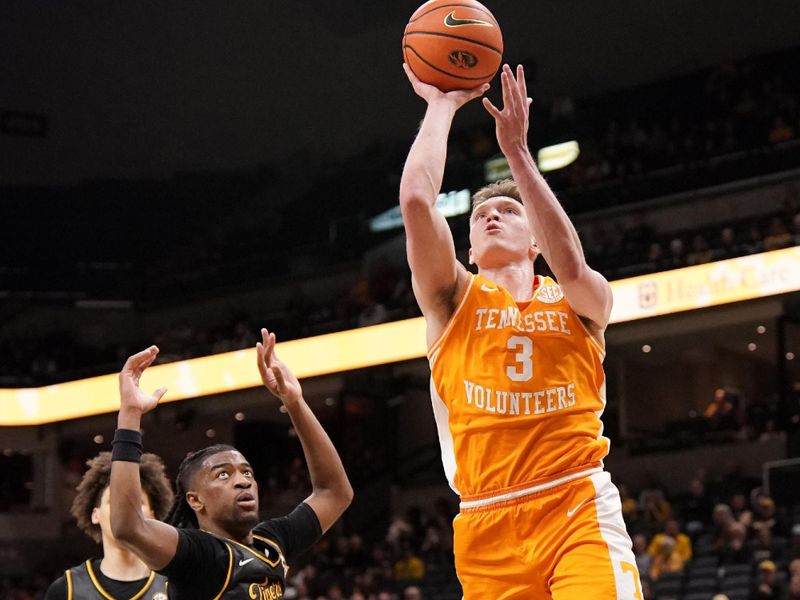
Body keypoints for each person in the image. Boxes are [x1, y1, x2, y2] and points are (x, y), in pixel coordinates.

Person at [399, 63, 641, 598]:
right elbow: (417, 202)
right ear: (467, 250)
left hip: (575, 501)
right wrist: (441, 107)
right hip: (487, 523)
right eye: (480, 216)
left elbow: (572, 266)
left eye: (508, 211)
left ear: (536, 240)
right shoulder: (451, 299)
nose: (491, 217)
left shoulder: (581, 298)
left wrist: (517, 152)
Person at [108, 329, 353, 599]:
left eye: (247, 471)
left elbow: (335, 493)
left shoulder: (272, 541)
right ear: (195, 500)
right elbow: (128, 526)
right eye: (223, 475)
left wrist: (295, 402)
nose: (243, 480)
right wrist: (130, 415)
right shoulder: (199, 554)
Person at [44, 452, 173, 599]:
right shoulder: (66, 590)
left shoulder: (174, 586)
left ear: (152, 515)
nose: (126, 509)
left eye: (138, 501)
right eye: (114, 501)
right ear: (95, 515)